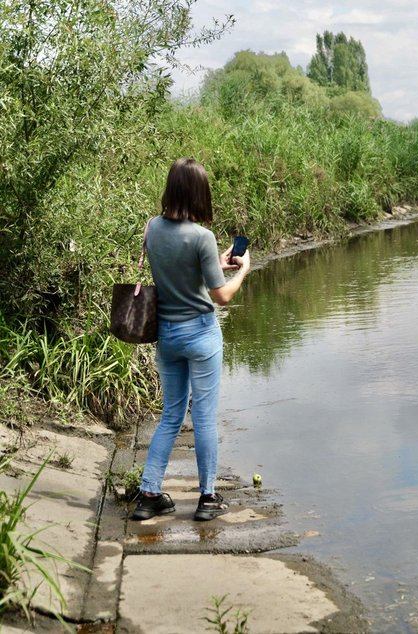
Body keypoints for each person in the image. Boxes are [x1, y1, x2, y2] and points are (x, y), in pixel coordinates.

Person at [130, 158, 251, 522]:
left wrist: (216, 262)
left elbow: (178, 271)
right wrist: (242, 270)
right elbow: (222, 296)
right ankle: (208, 498)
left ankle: (149, 494)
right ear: (198, 192)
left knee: (170, 416)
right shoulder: (202, 236)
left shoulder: (152, 228)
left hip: (166, 334)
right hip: (200, 333)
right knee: (203, 417)